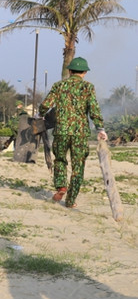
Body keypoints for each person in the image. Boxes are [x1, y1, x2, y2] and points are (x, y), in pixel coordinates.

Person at [39, 57, 107, 209]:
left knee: (60, 160)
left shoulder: (59, 86)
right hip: (80, 134)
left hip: (61, 131)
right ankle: (70, 200)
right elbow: (94, 109)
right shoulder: (88, 88)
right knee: (78, 166)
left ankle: (61, 186)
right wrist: (100, 129)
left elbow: (45, 105)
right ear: (84, 72)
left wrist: (41, 114)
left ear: (69, 71)